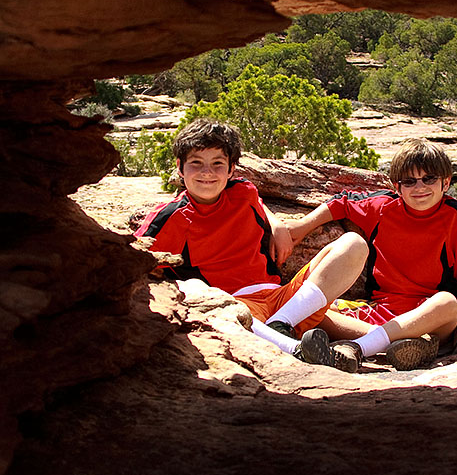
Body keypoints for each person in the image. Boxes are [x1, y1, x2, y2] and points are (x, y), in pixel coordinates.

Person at [134, 118, 369, 372]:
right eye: (196, 164)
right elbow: (136, 260)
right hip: (231, 307)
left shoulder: (243, 193)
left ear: (231, 169)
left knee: (354, 244)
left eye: (217, 164)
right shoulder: (171, 218)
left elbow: (253, 200)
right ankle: (297, 350)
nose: (207, 173)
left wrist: (276, 224)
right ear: (180, 168)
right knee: (212, 302)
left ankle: (282, 325)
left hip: (282, 298)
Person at [283, 137, 457, 372]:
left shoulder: (455, 215)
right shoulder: (383, 207)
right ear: (397, 186)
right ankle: (397, 345)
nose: (420, 188)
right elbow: (341, 203)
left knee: (447, 303)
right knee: (310, 310)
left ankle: (357, 348)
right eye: (409, 181)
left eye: (429, 179)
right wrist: (301, 227)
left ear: (446, 182)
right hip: (379, 312)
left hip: (429, 317)